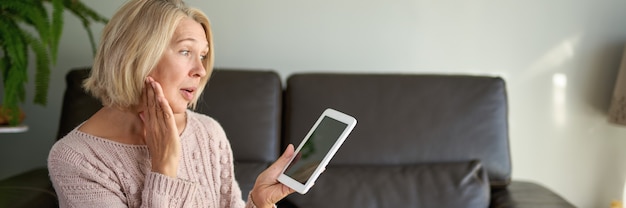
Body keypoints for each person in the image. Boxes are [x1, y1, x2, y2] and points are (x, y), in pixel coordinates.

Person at [47, 0, 295, 207]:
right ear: (136, 54)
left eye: (203, 56)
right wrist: (163, 169)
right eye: (186, 51)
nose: (200, 70)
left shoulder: (208, 133)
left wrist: (258, 202)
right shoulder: (76, 159)